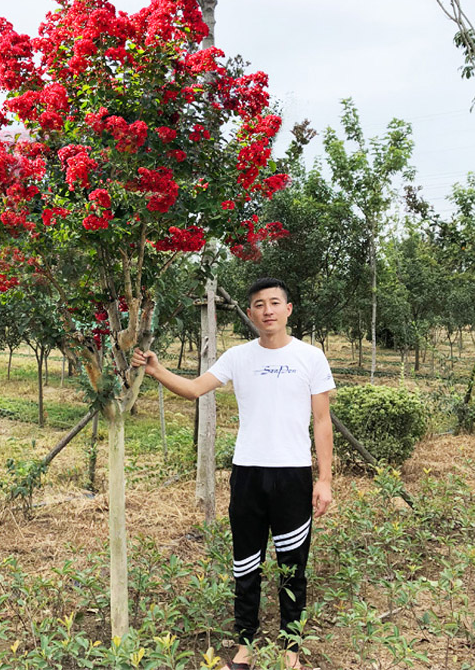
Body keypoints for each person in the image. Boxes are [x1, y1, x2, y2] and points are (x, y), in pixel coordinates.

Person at [131, 277, 335, 670]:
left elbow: (322, 421)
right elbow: (193, 389)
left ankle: (291, 651)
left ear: (288, 309)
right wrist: (157, 371)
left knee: (293, 567)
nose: (268, 310)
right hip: (247, 474)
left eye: (275, 303)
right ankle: (244, 649)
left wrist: (324, 479)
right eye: (259, 304)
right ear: (251, 313)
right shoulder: (238, 357)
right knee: (246, 564)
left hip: (293, 475)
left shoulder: (311, 357)